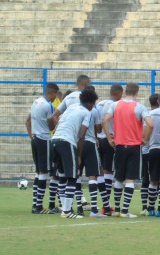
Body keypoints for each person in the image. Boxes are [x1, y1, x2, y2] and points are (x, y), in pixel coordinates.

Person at [102, 82, 152, 218]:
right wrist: (145, 139)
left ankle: (117, 209)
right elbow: (150, 124)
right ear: (137, 93)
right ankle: (125, 210)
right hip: (134, 147)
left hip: (119, 146)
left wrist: (109, 138)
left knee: (118, 177)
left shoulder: (115, 105)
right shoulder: (139, 107)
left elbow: (105, 121)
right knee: (130, 179)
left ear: (124, 92)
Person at [51, 87, 98, 219]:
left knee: (61, 176)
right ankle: (66, 211)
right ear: (89, 103)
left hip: (54, 140)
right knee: (72, 176)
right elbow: (82, 135)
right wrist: (78, 155)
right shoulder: (87, 112)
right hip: (67, 142)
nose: (93, 106)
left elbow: (56, 118)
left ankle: (65, 210)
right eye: (93, 103)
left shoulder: (71, 107)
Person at [26, 82, 59, 214]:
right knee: (44, 173)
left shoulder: (35, 102)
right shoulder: (48, 105)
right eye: (55, 94)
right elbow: (50, 127)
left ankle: (35, 204)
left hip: (34, 139)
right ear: (53, 92)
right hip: (44, 139)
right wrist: (56, 123)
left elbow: (27, 121)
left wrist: (31, 136)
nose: (55, 97)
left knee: (38, 172)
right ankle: (39, 207)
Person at [78, 85, 109, 218]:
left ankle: (79, 207)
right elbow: (98, 129)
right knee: (94, 175)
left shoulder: (75, 109)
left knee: (77, 175)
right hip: (89, 143)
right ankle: (95, 210)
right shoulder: (94, 111)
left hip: (77, 143)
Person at [96, 83, 123, 215]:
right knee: (108, 172)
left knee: (100, 172)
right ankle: (105, 205)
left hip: (98, 139)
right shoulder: (115, 105)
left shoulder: (100, 104)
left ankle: (104, 204)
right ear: (117, 94)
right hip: (110, 139)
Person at [139, 93, 158, 215]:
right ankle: (153, 206)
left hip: (145, 150)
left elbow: (143, 133)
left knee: (146, 179)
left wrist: (145, 141)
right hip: (155, 149)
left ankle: (144, 206)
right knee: (156, 179)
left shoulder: (147, 114)